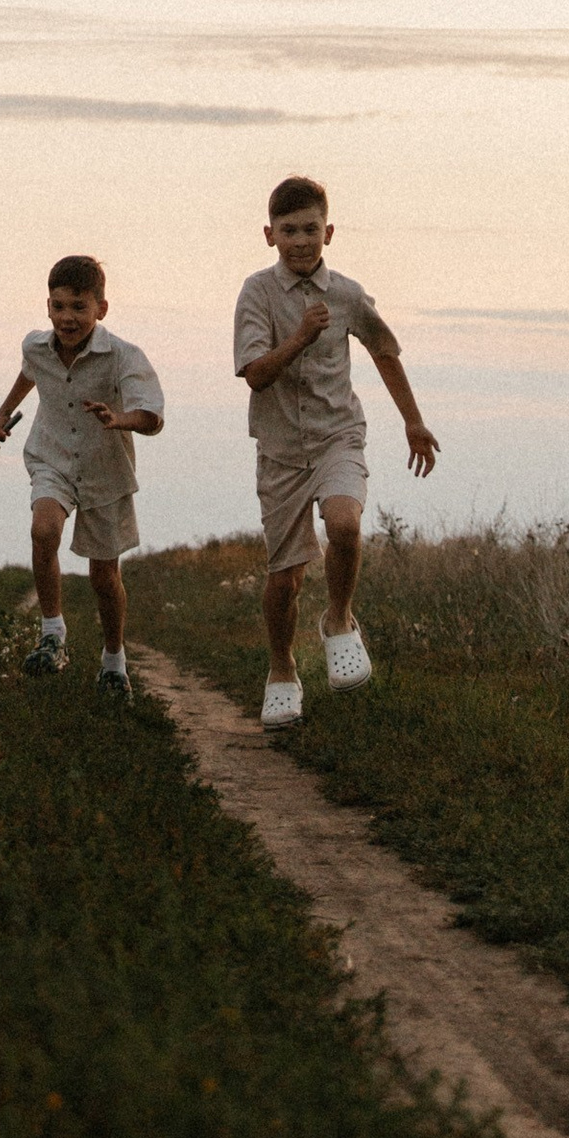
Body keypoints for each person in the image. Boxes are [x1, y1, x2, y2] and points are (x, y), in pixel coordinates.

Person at [233, 174, 435, 728]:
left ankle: (340, 621)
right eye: (290, 230)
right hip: (279, 451)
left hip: (337, 435)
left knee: (344, 525)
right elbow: (255, 375)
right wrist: (298, 337)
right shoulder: (256, 292)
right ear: (269, 234)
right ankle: (281, 670)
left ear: (330, 232)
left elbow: (384, 349)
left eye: (312, 229)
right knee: (285, 578)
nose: (301, 240)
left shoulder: (345, 293)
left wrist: (413, 423)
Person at [0, 254, 165, 700]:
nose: (68, 317)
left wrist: (117, 419)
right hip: (53, 457)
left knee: (104, 576)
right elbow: (30, 372)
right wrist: (4, 414)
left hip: (107, 469)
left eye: (79, 307)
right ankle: (52, 633)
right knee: (43, 530)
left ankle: (113, 663)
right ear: (47, 306)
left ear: (101, 309)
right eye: (59, 306)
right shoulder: (36, 346)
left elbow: (153, 417)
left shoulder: (123, 355)